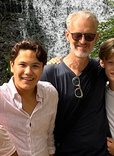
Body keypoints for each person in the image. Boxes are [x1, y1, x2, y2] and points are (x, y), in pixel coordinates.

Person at [39, 10, 109, 156]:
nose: (83, 41)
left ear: (96, 38)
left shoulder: (103, 69)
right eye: (77, 35)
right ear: (67, 36)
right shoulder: (50, 73)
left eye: (89, 36)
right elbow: (21, 96)